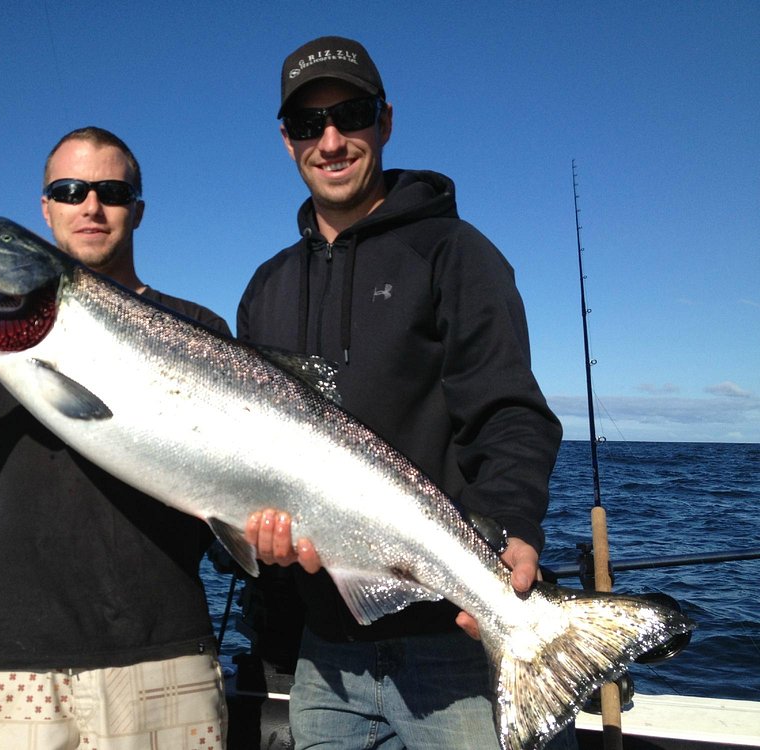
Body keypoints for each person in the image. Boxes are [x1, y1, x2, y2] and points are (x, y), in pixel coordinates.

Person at [238, 37, 572, 749]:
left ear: (385, 120)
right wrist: (246, 537)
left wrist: (513, 525)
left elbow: (509, 411)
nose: (330, 140)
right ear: (286, 140)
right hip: (323, 656)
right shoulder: (266, 288)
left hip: (454, 651)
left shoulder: (455, 253)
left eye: (350, 114)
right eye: (307, 124)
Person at [0, 126, 228, 750]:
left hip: (167, 657)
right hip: (10, 662)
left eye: (112, 191)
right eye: (70, 189)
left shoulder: (198, 328)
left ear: (137, 209)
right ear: (46, 207)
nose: (91, 205)